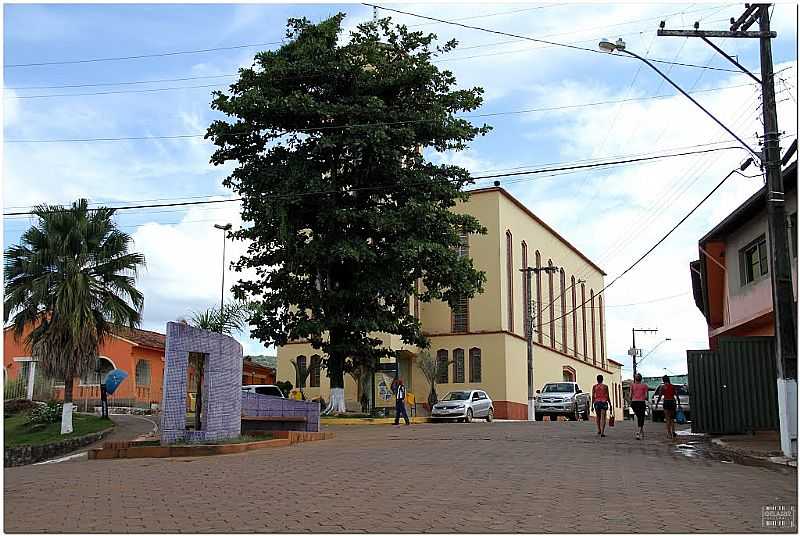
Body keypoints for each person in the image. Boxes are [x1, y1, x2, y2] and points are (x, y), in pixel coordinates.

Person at [655, 375, 681, 439]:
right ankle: (673, 431)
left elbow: (660, 396)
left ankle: (669, 434)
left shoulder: (663, 387)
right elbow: (677, 396)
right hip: (672, 402)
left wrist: (657, 404)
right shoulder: (673, 386)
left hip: (666, 402)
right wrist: (679, 404)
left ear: (663, 380)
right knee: (672, 418)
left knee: (667, 419)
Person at [630, 373, 649, 440]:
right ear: (641, 379)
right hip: (641, 402)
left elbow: (630, 395)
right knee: (641, 417)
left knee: (639, 417)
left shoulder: (632, 385)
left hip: (634, 403)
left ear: (635, 379)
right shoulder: (645, 386)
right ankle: (638, 432)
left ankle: (641, 432)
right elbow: (646, 396)